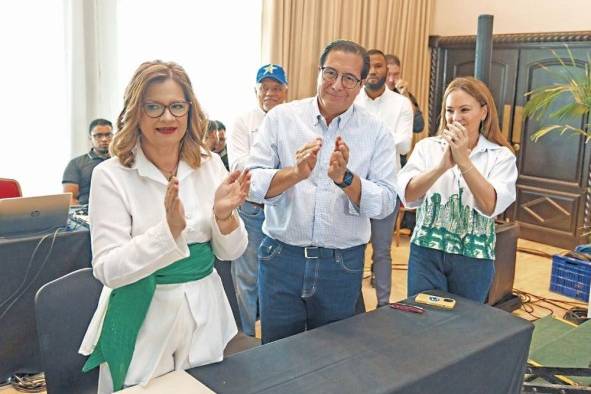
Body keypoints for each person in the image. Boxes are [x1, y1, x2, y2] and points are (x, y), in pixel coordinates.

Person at [78, 60, 250, 393]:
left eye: (176, 106)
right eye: (153, 107)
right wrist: (166, 233)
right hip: (142, 315)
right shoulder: (111, 175)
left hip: (205, 308)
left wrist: (225, 217)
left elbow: (231, 252)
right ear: (135, 112)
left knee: (207, 386)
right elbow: (107, 269)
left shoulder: (209, 163)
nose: (167, 117)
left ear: (190, 110)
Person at [248, 40, 397, 344]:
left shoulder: (376, 131)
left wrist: (346, 179)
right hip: (281, 258)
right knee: (277, 356)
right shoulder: (281, 118)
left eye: (349, 78)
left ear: (360, 85)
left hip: (340, 264)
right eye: (330, 73)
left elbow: (385, 202)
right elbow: (251, 182)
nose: (337, 85)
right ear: (318, 72)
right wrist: (295, 173)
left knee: (334, 360)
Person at [397, 76, 517, 303]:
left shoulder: (500, 156)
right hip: (426, 253)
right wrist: (441, 166)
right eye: (450, 110)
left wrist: (464, 162)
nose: (455, 117)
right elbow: (408, 195)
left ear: (484, 112)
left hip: (473, 258)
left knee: (463, 328)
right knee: (420, 321)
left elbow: (491, 205)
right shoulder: (427, 148)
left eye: (464, 110)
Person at [227, 63, 288, 336]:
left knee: (280, 278)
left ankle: (276, 337)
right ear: (256, 90)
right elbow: (239, 165)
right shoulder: (242, 121)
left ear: (285, 91)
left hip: (285, 209)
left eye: (276, 88)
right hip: (252, 209)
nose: (270, 93)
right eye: (264, 88)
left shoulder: (293, 119)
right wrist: (281, 172)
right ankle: (246, 337)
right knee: (247, 279)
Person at [355, 49, 413, 307]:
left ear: (387, 70)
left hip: (386, 186)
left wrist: (371, 138)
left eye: (379, 66)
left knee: (382, 251)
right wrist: (384, 138)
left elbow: (404, 145)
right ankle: (351, 305)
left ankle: (384, 305)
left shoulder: (401, 104)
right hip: (353, 185)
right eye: (370, 66)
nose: (374, 71)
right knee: (353, 249)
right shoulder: (353, 100)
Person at [62, 118, 113, 205]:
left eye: (108, 135)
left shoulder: (123, 161)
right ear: (90, 138)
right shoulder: (76, 164)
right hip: (86, 213)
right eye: (98, 135)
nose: (104, 139)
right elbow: (70, 199)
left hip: (118, 211)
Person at [385, 54, 425, 135]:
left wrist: (406, 97)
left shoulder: (403, 95)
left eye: (396, 74)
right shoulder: (372, 93)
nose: (391, 79)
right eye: (388, 74)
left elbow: (418, 126)